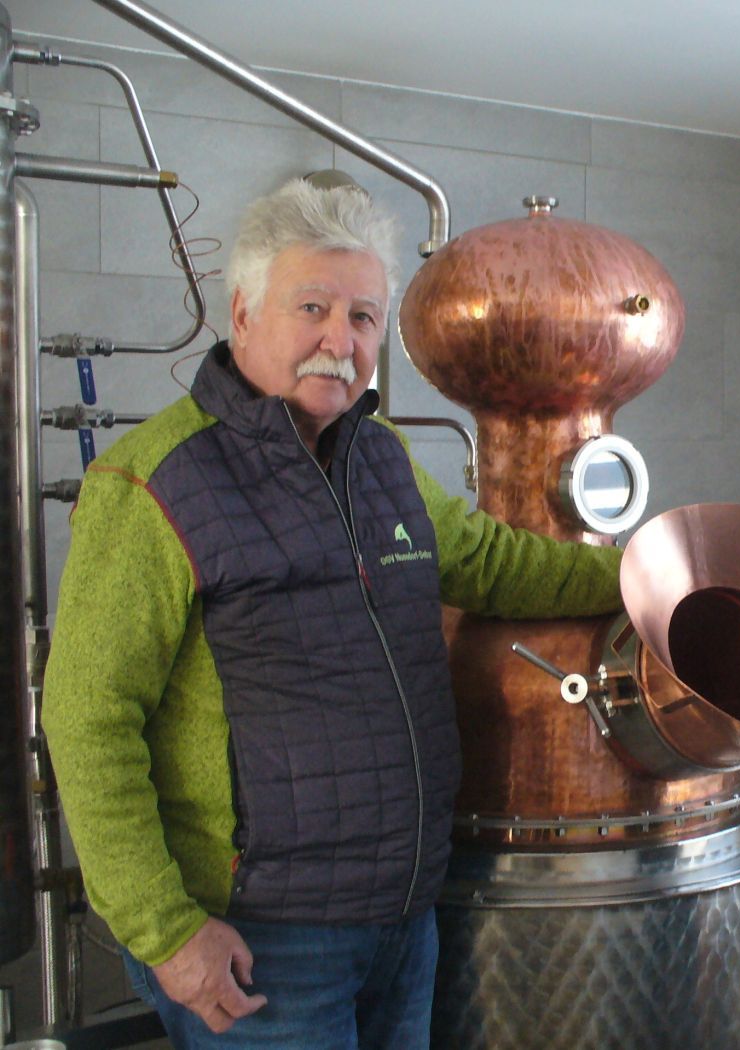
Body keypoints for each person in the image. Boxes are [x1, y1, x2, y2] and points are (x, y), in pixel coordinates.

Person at [41, 178, 623, 1049]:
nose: (339, 341)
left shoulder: (380, 457)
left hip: (404, 920)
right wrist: (166, 933)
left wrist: (655, 573)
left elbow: (493, 563)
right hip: (260, 942)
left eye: (362, 317)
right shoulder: (153, 482)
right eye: (311, 308)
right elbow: (86, 719)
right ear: (243, 315)